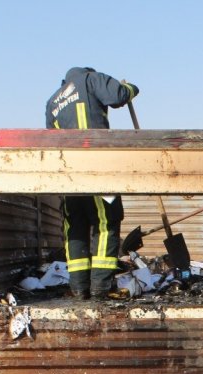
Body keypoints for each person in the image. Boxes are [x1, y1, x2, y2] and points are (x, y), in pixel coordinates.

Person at [45, 68, 138, 299]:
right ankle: (101, 288)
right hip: (97, 168)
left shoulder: (53, 100)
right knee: (106, 222)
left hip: (69, 176)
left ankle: (78, 287)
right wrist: (131, 89)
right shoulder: (89, 79)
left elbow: (49, 138)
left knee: (75, 227)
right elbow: (117, 96)